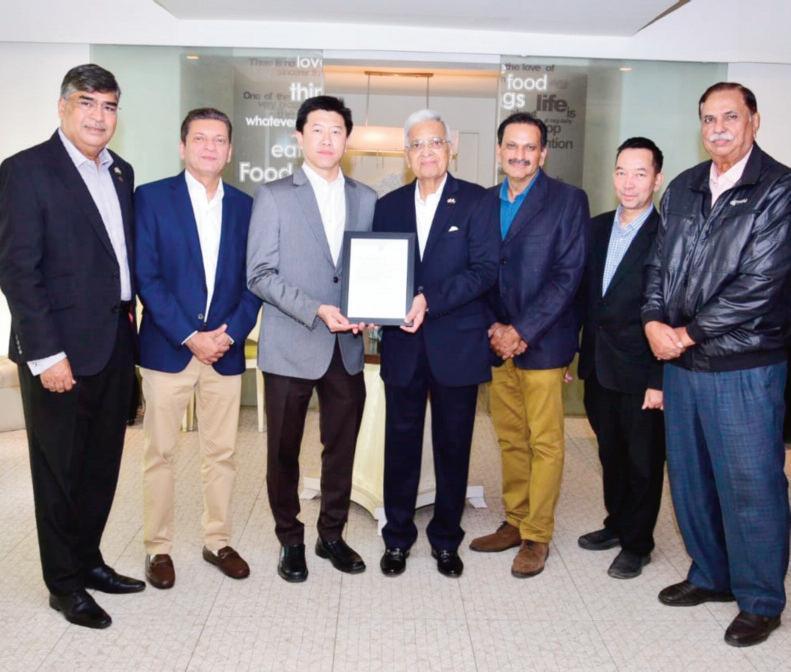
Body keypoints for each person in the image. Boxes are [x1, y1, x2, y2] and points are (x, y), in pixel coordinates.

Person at [642, 82, 791, 647]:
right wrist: (653, 321)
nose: (719, 128)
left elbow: (761, 283)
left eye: (731, 117)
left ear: (754, 120)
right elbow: (657, 265)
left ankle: (760, 600)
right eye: (709, 119)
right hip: (682, 365)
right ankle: (711, 574)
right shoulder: (683, 186)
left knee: (751, 484)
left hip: (743, 366)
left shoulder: (779, 188)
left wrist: (686, 333)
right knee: (691, 478)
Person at [0, 64, 144, 629]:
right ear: (63, 107)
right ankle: (63, 585)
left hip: (114, 343)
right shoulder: (25, 171)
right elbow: (18, 270)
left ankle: (88, 561)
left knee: (100, 467)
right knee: (58, 471)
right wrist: (46, 355)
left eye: (109, 106)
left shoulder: (121, 171)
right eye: (87, 103)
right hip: (58, 352)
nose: (99, 116)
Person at [247, 96, 376, 582]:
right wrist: (315, 309)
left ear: (347, 139)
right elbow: (259, 274)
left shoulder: (366, 198)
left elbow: (368, 270)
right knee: (283, 452)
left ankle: (331, 535)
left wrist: (370, 308)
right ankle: (290, 538)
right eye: (317, 130)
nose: (327, 139)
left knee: (341, 448)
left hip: (346, 349)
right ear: (299, 137)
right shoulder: (274, 195)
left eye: (336, 130)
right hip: (290, 344)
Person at [135, 108, 261, 589]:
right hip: (169, 348)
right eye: (200, 138)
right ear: (182, 146)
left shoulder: (246, 206)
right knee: (160, 453)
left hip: (225, 350)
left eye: (219, 140)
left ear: (230, 151)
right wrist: (190, 335)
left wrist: (229, 334)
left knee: (222, 453)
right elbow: (147, 276)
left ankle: (217, 540)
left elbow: (255, 279)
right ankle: (158, 547)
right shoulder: (151, 198)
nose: (210, 147)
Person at [373, 110, 498, 578]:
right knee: (399, 444)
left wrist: (429, 299)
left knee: (453, 447)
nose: (427, 152)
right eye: (418, 144)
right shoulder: (388, 206)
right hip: (402, 345)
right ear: (406, 154)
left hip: (456, 344)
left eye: (435, 142)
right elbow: (378, 269)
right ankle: (397, 537)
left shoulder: (477, 201)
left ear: (451, 147)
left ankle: (446, 539)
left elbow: (485, 271)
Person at [469, 112, 589, 578]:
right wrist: (495, 329)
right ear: (499, 151)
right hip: (496, 342)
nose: (520, 155)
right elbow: (476, 271)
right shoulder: (482, 202)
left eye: (529, 147)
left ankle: (537, 534)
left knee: (545, 442)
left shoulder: (568, 200)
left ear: (543, 154)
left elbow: (567, 277)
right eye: (512, 146)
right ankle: (515, 520)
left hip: (542, 341)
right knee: (510, 438)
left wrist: (521, 330)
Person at [577, 137, 666, 579]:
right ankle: (616, 523)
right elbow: (584, 298)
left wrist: (659, 378)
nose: (629, 183)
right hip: (598, 364)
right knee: (610, 452)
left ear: (657, 179)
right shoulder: (596, 228)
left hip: (641, 369)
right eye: (621, 172)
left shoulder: (669, 235)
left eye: (640, 174)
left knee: (643, 460)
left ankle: (638, 543)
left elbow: (673, 310)